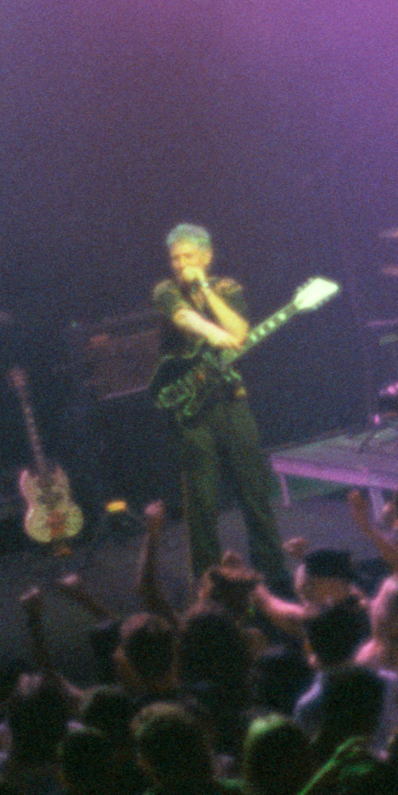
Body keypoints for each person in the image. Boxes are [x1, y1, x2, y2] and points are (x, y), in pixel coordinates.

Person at [151, 223, 294, 592]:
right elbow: (185, 318)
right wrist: (218, 334)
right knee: (201, 503)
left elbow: (240, 331)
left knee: (254, 491)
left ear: (206, 256)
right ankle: (207, 584)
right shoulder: (165, 291)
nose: (180, 264)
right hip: (192, 412)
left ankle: (273, 575)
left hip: (231, 402)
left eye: (188, 256)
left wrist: (206, 291)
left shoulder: (228, 288)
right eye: (175, 258)